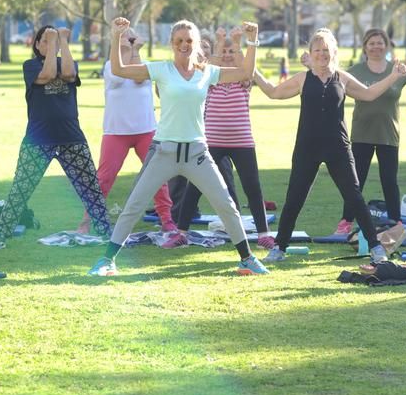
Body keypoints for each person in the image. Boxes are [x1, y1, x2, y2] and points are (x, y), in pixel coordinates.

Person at [88, 18, 269, 276]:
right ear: (172, 44)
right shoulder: (161, 69)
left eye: (189, 41)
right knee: (134, 205)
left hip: (197, 153)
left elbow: (245, 73)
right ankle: (107, 260)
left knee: (226, 205)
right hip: (164, 152)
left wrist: (252, 42)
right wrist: (116, 36)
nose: (184, 45)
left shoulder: (208, 72)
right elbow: (119, 69)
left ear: (196, 44)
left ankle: (247, 259)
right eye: (179, 41)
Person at [253, 29, 406, 263]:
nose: (322, 55)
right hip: (307, 147)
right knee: (294, 198)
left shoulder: (342, 78)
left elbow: (368, 94)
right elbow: (274, 92)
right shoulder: (302, 79)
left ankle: (376, 248)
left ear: (333, 52)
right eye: (317, 50)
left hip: (338, 147)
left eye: (326, 50)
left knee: (354, 197)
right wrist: (251, 69)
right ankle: (279, 248)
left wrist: (393, 76)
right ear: (310, 53)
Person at [0, 26, 111, 249]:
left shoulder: (69, 63)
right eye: (45, 40)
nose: (49, 43)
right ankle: (1, 235)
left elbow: (69, 74)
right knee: (20, 190)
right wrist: (55, 42)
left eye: (52, 40)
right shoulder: (30, 66)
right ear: (36, 45)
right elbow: (47, 75)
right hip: (37, 140)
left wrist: (62, 40)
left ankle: (106, 234)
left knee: (90, 189)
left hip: (71, 138)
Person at [334, 28, 406, 234]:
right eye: (371, 43)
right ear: (365, 47)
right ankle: (346, 222)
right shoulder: (355, 71)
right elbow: (333, 84)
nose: (376, 47)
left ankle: (396, 223)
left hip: (388, 134)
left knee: (389, 180)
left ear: (386, 45)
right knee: (356, 181)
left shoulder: (399, 70)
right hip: (362, 133)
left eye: (380, 43)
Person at [171, 27, 276, 250]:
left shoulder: (244, 79)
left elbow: (247, 67)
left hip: (242, 142)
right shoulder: (208, 79)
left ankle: (264, 234)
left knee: (252, 187)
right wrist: (219, 43)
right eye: (224, 52)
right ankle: (181, 232)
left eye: (231, 52)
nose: (228, 55)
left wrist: (237, 44)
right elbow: (212, 64)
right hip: (212, 142)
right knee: (195, 187)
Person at [73, 26, 177, 236]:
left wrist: (135, 49)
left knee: (156, 176)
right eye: (124, 39)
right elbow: (120, 77)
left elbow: (138, 77)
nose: (128, 42)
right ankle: (87, 220)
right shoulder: (110, 66)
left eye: (131, 38)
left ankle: (167, 219)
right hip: (116, 132)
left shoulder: (145, 65)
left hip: (145, 130)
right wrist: (124, 44)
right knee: (104, 178)